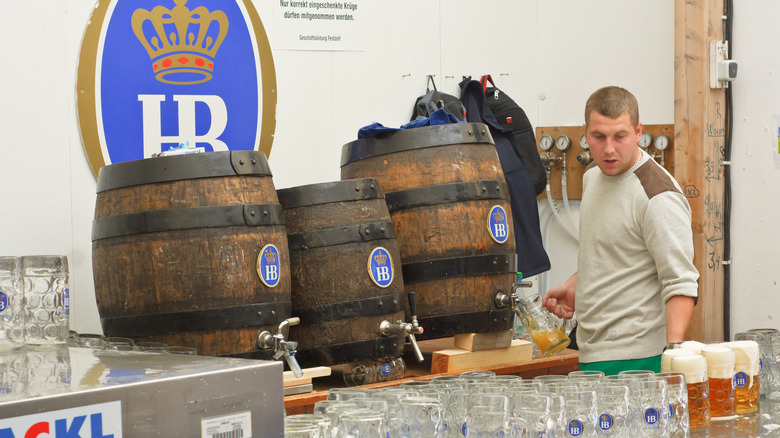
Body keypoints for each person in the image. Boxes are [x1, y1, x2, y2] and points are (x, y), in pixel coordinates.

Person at [542, 86, 699, 375]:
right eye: (599, 137)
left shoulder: (657, 196)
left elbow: (681, 282)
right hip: (590, 349)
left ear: (638, 131)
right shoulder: (592, 175)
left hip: (640, 360)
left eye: (620, 136)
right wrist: (578, 284)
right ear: (585, 133)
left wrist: (674, 357)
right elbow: (615, 251)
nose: (609, 149)